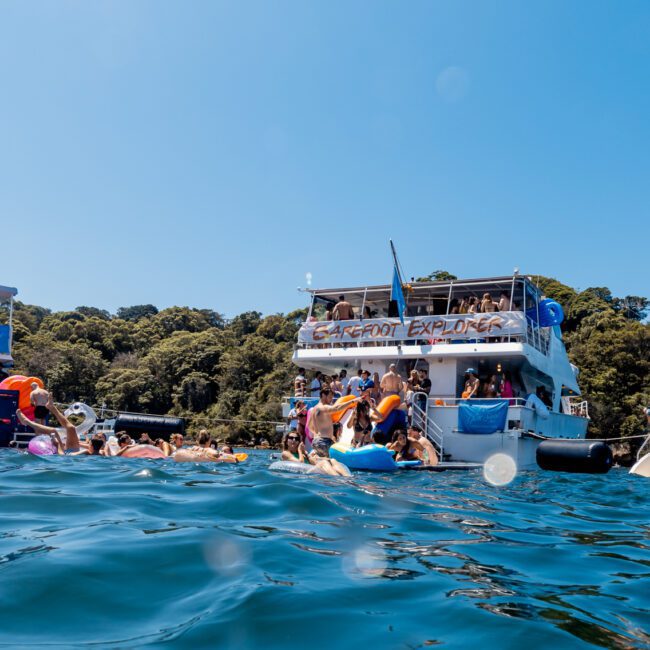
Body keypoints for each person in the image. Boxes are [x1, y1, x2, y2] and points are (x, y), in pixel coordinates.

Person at [16, 392, 81, 454]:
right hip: (70, 452)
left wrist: (57, 444)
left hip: (67, 454)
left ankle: (26, 421)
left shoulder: (87, 451)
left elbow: (63, 455)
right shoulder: (89, 449)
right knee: (64, 429)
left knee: (62, 429)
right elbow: (88, 447)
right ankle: (51, 407)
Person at [309, 388, 360, 457]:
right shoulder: (323, 407)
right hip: (324, 441)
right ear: (323, 395)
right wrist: (353, 401)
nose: (331, 400)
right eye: (330, 397)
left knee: (321, 464)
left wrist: (317, 434)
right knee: (329, 464)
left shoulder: (314, 409)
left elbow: (309, 426)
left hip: (317, 441)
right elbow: (336, 408)